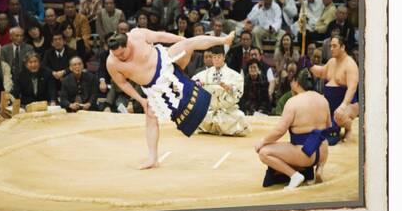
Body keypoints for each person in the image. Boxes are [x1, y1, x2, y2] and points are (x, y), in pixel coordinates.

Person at [106, 28, 235, 169]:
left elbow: (161, 36)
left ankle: (223, 40)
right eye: (115, 54)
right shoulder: (112, 63)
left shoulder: (137, 35)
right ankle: (153, 159)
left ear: (127, 44)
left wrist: (180, 40)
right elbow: (122, 83)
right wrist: (141, 100)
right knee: (150, 117)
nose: (120, 57)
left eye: (122, 53)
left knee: (189, 43)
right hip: (154, 87)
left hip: (167, 62)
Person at [255, 68, 330, 189]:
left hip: (305, 154)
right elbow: (328, 127)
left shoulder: (293, 102)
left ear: (296, 82)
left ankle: (294, 175)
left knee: (264, 152)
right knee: (318, 138)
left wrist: (262, 141)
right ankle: (319, 168)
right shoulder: (323, 99)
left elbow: (280, 131)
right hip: (322, 152)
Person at [309, 35, 359, 143]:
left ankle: (348, 128)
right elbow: (321, 72)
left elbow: (352, 88)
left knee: (339, 117)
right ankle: (332, 126)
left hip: (348, 104)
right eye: (330, 46)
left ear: (342, 47)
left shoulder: (350, 65)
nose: (331, 48)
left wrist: (343, 105)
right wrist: (309, 65)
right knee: (313, 120)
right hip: (330, 104)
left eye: (334, 46)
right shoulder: (331, 62)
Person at [192, 45, 248, 136]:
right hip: (209, 111)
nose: (216, 60)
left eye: (219, 57)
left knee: (240, 117)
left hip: (226, 111)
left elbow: (238, 91)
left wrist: (230, 89)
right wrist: (199, 84)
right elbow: (193, 82)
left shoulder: (233, 75)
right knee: (193, 113)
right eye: (214, 57)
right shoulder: (205, 74)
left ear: (224, 57)